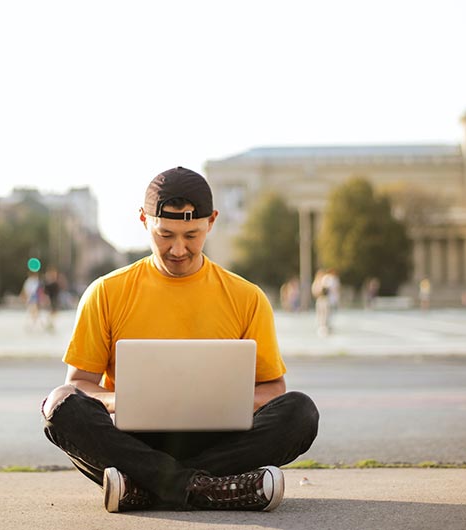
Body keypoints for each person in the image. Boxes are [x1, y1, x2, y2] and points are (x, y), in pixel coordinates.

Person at [40, 167, 319, 513]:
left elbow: (274, 389)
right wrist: (122, 400)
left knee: (301, 412)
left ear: (211, 221)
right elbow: (80, 385)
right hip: (133, 442)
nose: (178, 249)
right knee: (60, 405)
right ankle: (211, 488)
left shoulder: (247, 297)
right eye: (165, 234)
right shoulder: (105, 293)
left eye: (191, 235)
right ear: (143, 220)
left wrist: (216, 403)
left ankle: (146, 489)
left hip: (219, 441)